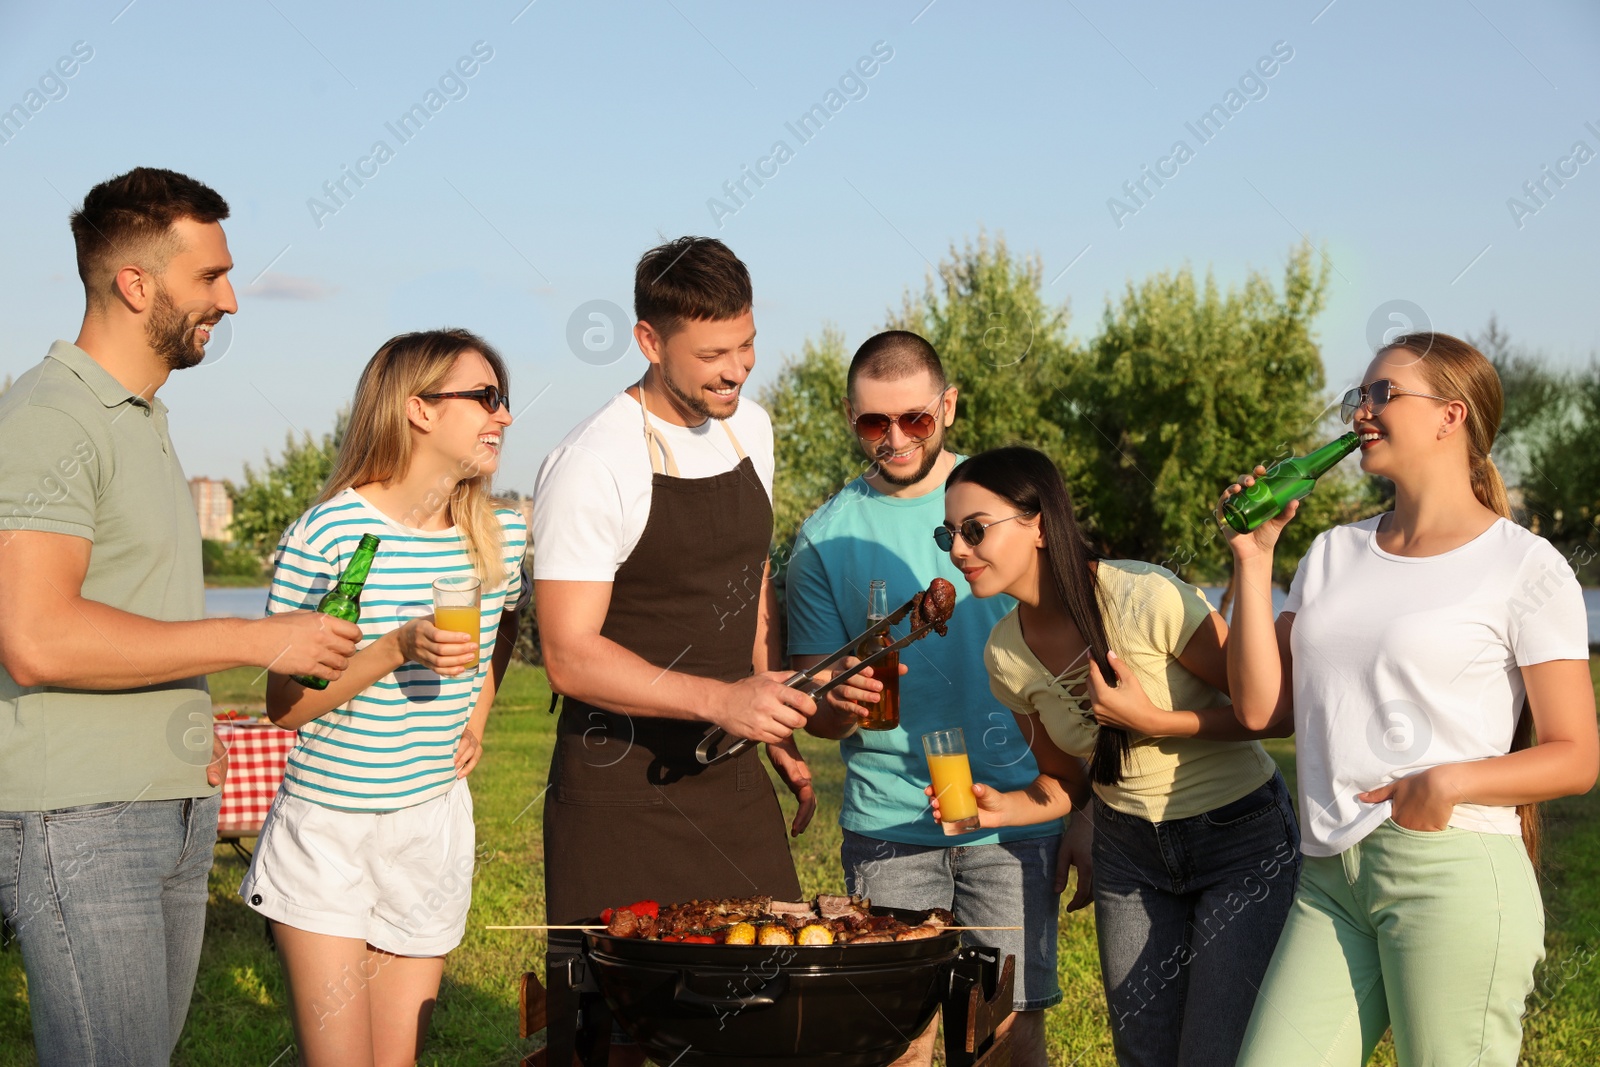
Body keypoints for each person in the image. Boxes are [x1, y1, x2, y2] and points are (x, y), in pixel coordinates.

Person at [0, 167, 361, 1066]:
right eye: (210, 277)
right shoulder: (50, 419)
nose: (231, 299)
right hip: (78, 815)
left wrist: (190, 718)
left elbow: (132, 614)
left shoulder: (141, 419)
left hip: (168, 803)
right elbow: (36, 637)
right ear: (135, 283)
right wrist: (257, 638)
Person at [1228, 333, 1598, 1067]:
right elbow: (1261, 709)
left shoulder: (1525, 567)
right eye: (1357, 398)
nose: (1360, 413)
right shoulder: (1333, 552)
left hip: (1452, 869)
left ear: (1450, 416)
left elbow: (1577, 755)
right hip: (1331, 874)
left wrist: (1450, 779)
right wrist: (1254, 559)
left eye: (1382, 395)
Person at [534, 237, 816, 1063]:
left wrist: (770, 717)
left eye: (747, 344)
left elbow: (751, 582)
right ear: (649, 341)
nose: (738, 370)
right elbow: (568, 654)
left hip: (727, 777)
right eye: (713, 354)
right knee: (628, 1031)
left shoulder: (750, 430)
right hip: (621, 789)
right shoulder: (593, 462)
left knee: (768, 1005)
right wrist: (721, 699)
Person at [931, 445, 1301, 1067]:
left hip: (1239, 841)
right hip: (1129, 856)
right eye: (950, 535)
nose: (959, 551)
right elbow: (1065, 784)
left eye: (975, 530)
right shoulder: (1004, 654)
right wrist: (996, 810)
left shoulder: (1145, 596)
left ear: (1040, 524)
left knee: (1213, 1054)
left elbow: (1272, 715)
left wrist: (1153, 721)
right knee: (1143, 1054)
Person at [239, 328, 525, 1066]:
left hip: (429, 824)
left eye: (505, 398)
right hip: (330, 830)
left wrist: (478, 716)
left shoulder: (498, 535)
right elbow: (287, 707)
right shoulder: (335, 534)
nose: (505, 415)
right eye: (485, 397)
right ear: (418, 409)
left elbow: (500, 633)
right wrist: (396, 646)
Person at [785, 333, 1068, 1067]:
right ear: (850, 417)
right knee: (895, 1043)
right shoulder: (822, 538)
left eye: (914, 418)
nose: (896, 438)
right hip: (890, 824)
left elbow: (1073, 661)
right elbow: (814, 708)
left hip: (1012, 815)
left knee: (1003, 1035)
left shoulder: (1006, 506)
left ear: (948, 405)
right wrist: (840, 696)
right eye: (874, 423)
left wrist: (1084, 810)